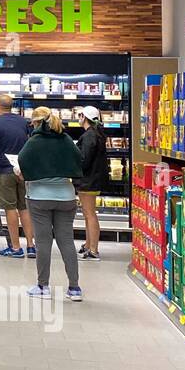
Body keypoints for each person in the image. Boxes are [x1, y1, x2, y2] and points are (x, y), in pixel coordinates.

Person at [18, 107, 84, 301]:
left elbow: (22, 161)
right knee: (66, 241)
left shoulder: (34, 141)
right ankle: (74, 288)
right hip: (66, 196)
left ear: (36, 123)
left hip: (39, 197)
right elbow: (79, 159)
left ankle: (43, 287)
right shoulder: (66, 140)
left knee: (43, 242)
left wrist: (23, 172)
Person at [0, 94, 34, 258]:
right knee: (24, 208)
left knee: (10, 208)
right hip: (23, 171)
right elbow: (31, 141)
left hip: (4, 170)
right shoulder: (24, 121)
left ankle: (16, 248)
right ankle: (31, 246)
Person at [75, 105, 109, 261]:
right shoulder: (96, 134)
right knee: (88, 214)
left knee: (89, 214)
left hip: (88, 180)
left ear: (84, 117)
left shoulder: (89, 136)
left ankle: (93, 249)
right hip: (92, 179)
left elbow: (84, 159)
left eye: (80, 115)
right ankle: (88, 245)